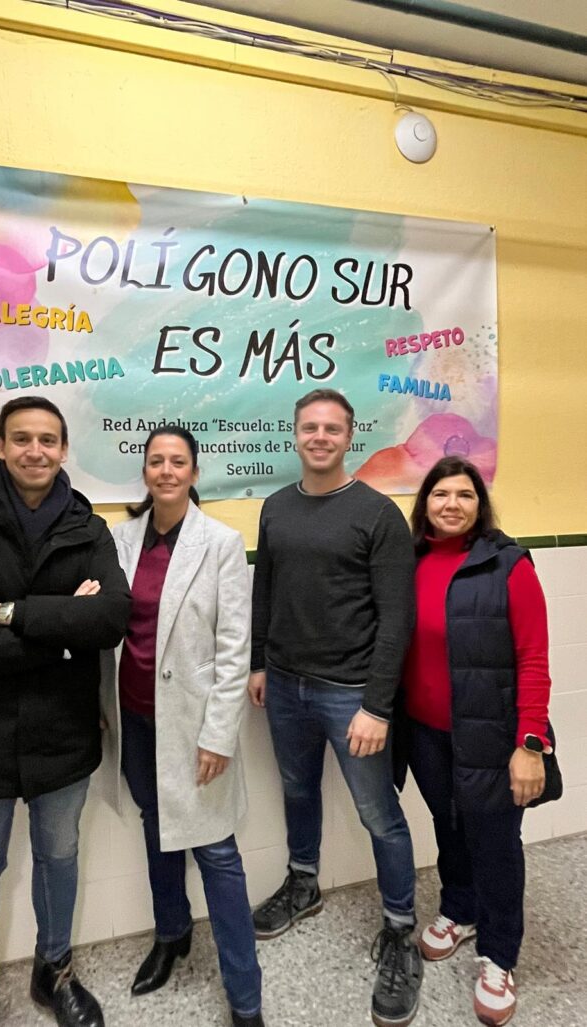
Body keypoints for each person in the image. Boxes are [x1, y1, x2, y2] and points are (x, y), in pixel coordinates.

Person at [0, 396, 131, 1027]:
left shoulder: (89, 529)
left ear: (63, 450)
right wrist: (63, 636)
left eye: (47, 440)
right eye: (21, 438)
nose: (34, 450)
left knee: (59, 857)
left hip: (63, 729)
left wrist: (10, 613)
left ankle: (54, 970)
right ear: (0, 445)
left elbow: (110, 619)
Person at [248, 388, 422, 1027]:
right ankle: (303, 883)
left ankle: (400, 930)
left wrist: (377, 706)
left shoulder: (378, 513)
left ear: (350, 437)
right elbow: (264, 590)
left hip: (351, 695)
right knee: (298, 792)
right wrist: (259, 662)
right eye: (309, 427)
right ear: (294, 434)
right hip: (285, 686)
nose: (319, 437)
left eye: (331, 428)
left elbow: (397, 619)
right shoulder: (275, 507)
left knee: (380, 815)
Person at [100, 425, 264, 1027]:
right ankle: (171, 933)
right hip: (135, 718)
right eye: (155, 462)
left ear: (194, 473)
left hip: (195, 727)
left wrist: (218, 735)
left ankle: (245, 996)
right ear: (144, 472)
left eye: (177, 462)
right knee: (156, 826)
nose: (166, 471)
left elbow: (234, 648)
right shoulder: (119, 540)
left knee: (216, 851)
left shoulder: (220, 542)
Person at [402, 456, 552, 1026]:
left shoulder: (508, 564)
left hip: (491, 734)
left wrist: (530, 743)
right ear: (425, 503)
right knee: (449, 826)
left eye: (464, 495)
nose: (452, 504)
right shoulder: (410, 560)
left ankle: (499, 954)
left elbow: (533, 658)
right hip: (425, 733)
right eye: (441, 494)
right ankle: (459, 909)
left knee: (495, 842)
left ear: (479, 504)